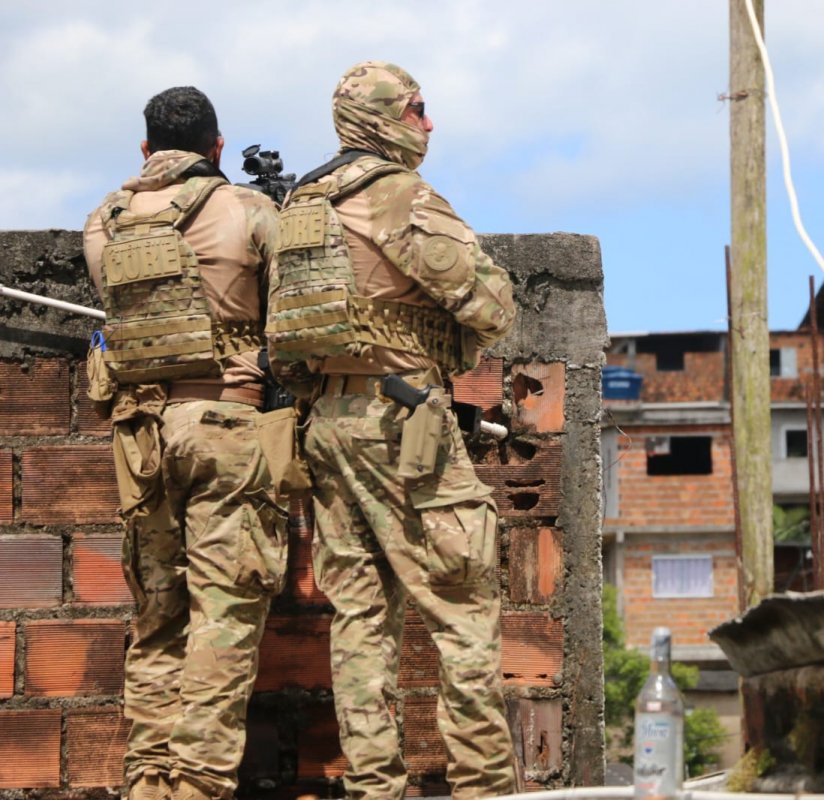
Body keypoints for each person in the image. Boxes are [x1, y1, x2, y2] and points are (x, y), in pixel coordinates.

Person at [267, 61, 519, 799]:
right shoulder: (400, 194)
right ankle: (484, 787)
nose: (429, 123)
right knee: (462, 601)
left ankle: (375, 788)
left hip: (327, 423)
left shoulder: (300, 205)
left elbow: (284, 338)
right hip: (401, 415)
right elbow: (492, 306)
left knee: (360, 615)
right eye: (416, 109)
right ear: (383, 118)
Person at [82, 86, 284, 800]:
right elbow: (290, 326)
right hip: (225, 425)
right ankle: (198, 787)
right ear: (218, 146)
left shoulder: (103, 220)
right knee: (223, 617)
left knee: (158, 616)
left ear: (145, 149)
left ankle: (148, 783)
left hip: (139, 436)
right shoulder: (252, 212)